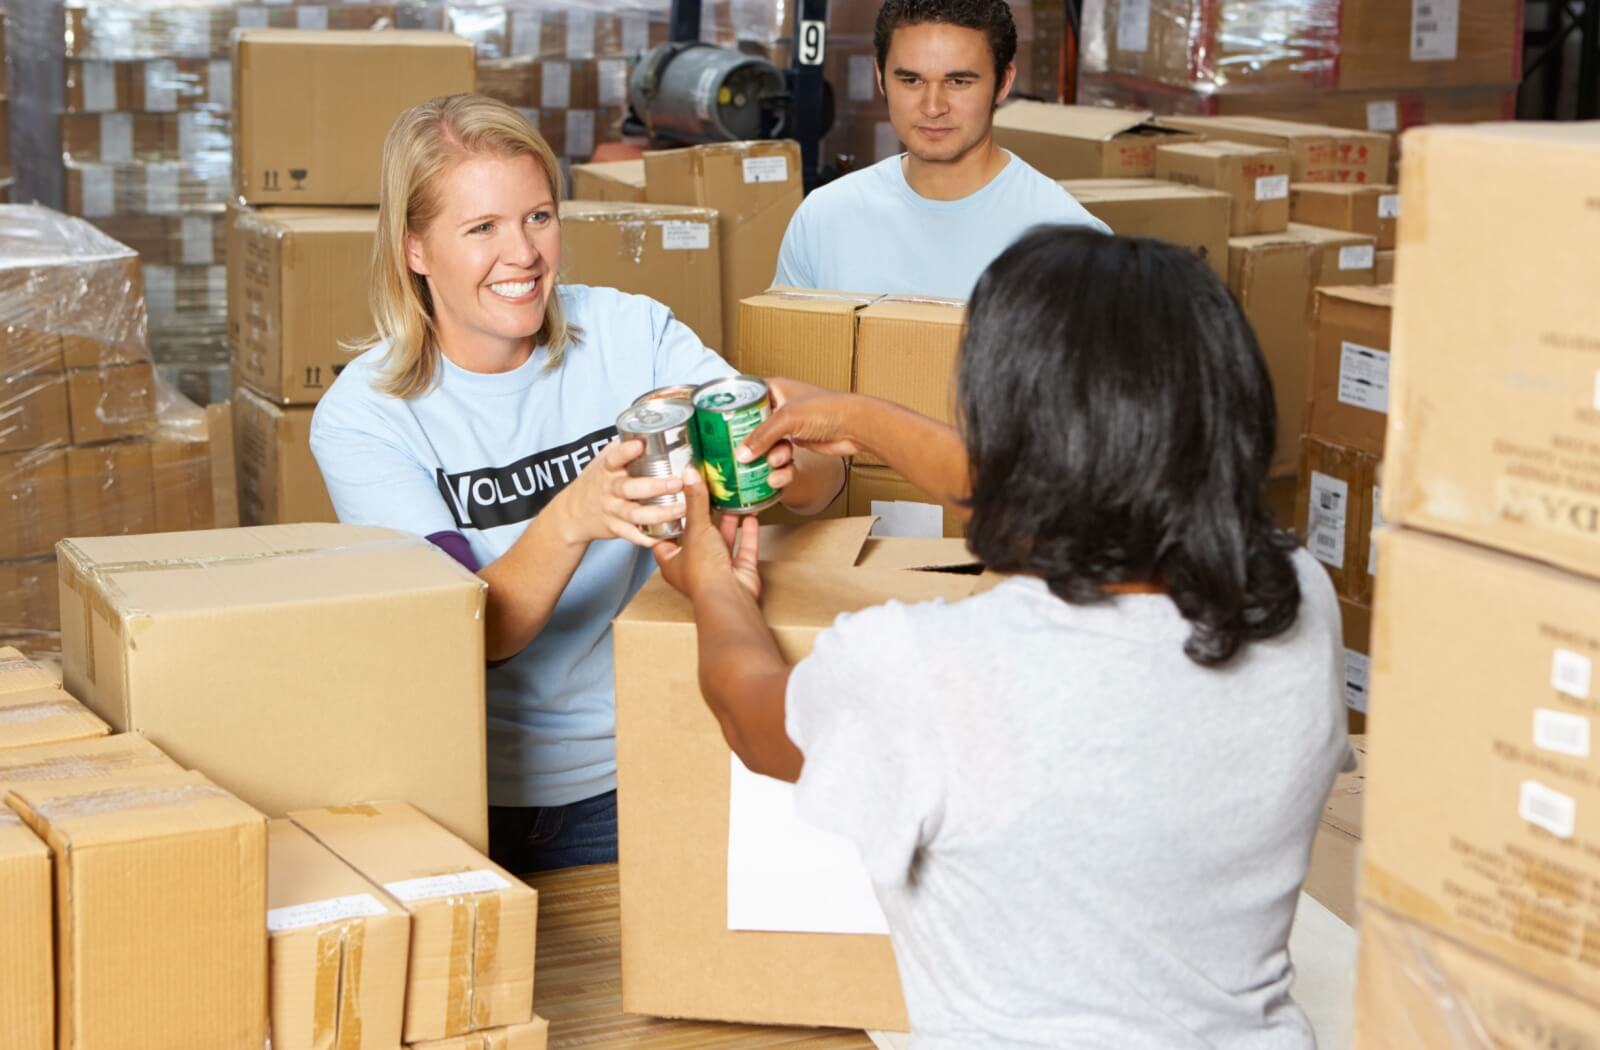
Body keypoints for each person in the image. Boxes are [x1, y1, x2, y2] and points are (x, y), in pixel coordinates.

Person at [657, 227, 1350, 1047]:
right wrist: (860, 419)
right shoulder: (1298, 593)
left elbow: (751, 715)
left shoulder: (936, 669)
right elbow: (1096, 488)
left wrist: (710, 582)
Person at [309, 94, 844, 873]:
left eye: (538, 216)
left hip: (655, 761)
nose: (523, 254)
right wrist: (572, 517)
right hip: (475, 801)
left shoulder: (631, 334)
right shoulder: (366, 419)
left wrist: (786, 466)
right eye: (482, 228)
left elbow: (824, 481)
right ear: (416, 249)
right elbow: (471, 635)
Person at [773, 0, 1109, 299]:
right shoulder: (823, 219)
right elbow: (788, 356)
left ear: (1004, 82)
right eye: (911, 80)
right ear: (880, 77)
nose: (933, 107)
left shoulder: (1072, 243)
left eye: (958, 82)